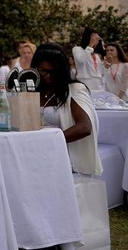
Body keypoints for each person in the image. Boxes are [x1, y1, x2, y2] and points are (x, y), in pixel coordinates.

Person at [32, 42, 102, 175]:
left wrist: (50, 141)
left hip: (68, 163)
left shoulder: (74, 90)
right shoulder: (32, 91)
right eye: (44, 71)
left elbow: (85, 127)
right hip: (38, 158)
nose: (48, 75)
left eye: (53, 72)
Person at [72, 27, 105, 92]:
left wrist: (105, 67)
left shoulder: (96, 55)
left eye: (98, 39)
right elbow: (81, 61)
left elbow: (100, 73)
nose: (96, 41)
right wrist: (90, 45)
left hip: (98, 87)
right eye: (94, 39)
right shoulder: (77, 49)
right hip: (85, 85)